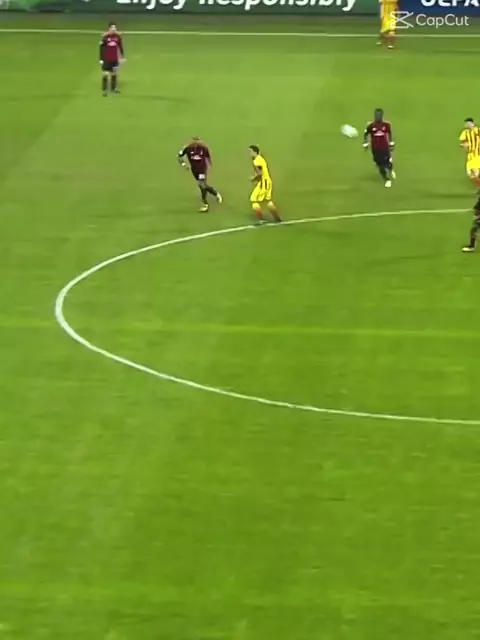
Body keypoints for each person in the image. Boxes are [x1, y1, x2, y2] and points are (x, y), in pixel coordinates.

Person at [178, 137, 222, 212]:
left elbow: (208, 157)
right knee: (202, 186)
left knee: (202, 185)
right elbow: (180, 156)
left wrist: (209, 164)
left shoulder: (203, 148)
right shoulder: (187, 148)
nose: (196, 143)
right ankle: (215, 193)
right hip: (194, 170)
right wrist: (183, 164)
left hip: (202, 169)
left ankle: (206, 203)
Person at [363, 109, 396, 188]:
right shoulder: (371, 125)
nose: (378, 117)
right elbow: (366, 133)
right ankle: (387, 179)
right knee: (379, 165)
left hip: (384, 147)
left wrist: (391, 143)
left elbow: (389, 133)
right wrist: (365, 143)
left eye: (379, 115)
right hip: (375, 149)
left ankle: (391, 170)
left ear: (382, 116)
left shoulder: (386, 125)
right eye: (377, 115)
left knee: (387, 162)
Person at [248, 145, 281, 224]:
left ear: (255, 152)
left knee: (254, 199)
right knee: (267, 201)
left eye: (250, 151)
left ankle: (261, 219)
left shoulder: (256, 161)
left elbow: (260, 173)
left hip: (263, 183)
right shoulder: (260, 158)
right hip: (267, 182)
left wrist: (253, 178)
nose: (249, 153)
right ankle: (277, 218)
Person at [99, 23, 124, 96]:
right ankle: (104, 90)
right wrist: (101, 59)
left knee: (114, 73)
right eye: (112, 28)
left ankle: (113, 89)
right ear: (109, 28)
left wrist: (122, 56)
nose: (114, 29)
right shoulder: (105, 37)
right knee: (106, 74)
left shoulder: (118, 37)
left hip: (114, 58)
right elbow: (101, 48)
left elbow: (120, 46)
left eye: (115, 28)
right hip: (106, 58)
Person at [459, 118, 480, 187]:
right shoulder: (465, 132)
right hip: (470, 156)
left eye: (468, 123)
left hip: (477, 155)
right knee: (471, 175)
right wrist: (463, 145)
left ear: (472, 123)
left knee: (475, 174)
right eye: (466, 124)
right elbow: (462, 143)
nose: (467, 125)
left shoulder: (478, 130)